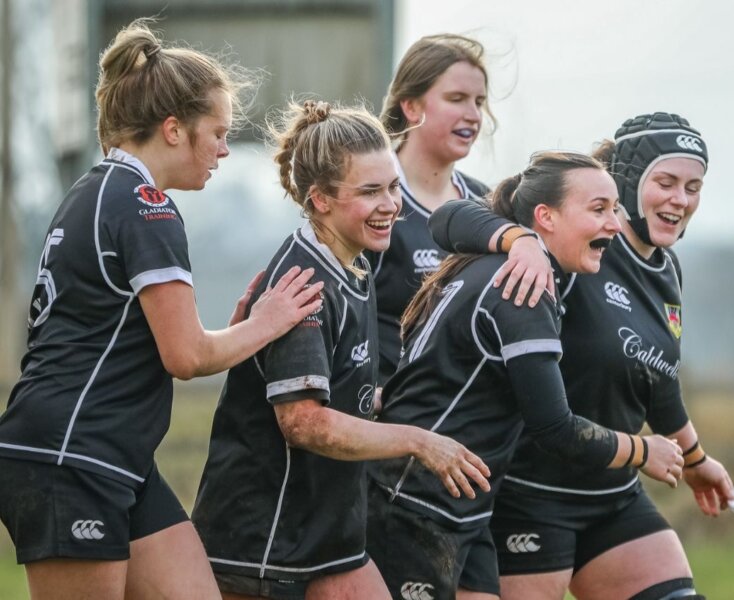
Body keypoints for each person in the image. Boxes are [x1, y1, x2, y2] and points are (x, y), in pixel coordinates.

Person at [0, 19, 326, 599]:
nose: (226, 148)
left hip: (112, 455)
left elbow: (135, 333)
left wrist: (244, 325)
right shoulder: (146, 207)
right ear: (174, 129)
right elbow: (186, 355)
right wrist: (266, 323)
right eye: (218, 133)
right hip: (72, 455)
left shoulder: (95, 190)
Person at [191, 100, 492, 600]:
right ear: (321, 199)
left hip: (328, 537)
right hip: (264, 541)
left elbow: (348, 393)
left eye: (394, 187)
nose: (391, 204)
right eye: (370, 191)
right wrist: (417, 441)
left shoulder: (355, 264)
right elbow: (304, 422)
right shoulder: (305, 283)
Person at [429, 112, 734, 600]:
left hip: (613, 496)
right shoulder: (575, 244)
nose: (680, 199)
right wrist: (520, 239)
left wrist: (695, 458)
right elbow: (449, 219)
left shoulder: (667, 269)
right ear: (629, 181)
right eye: (667, 182)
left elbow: (657, 378)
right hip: (531, 498)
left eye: (693, 187)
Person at [366, 151, 685, 600]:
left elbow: (446, 219)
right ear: (545, 217)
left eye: (615, 208)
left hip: (463, 507)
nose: (615, 223)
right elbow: (555, 429)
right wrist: (641, 450)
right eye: (599, 210)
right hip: (415, 502)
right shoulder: (524, 288)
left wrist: (519, 239)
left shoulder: (502, 259)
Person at [369, 33, 494, 384]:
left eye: (479, 102)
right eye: (456, 99)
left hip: (461, 415)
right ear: (411, 107)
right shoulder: (371, 196)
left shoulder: (486, 204)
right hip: (385, 413)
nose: (472, 115)